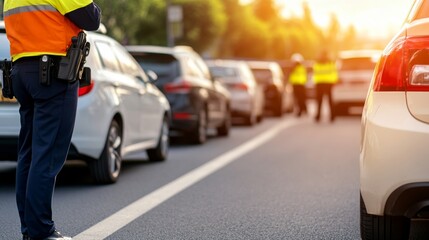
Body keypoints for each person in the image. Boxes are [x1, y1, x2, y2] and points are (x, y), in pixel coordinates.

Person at [3, 1, 101, 239]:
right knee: (47, 155)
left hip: (22, 72)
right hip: (53, 75)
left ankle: (30, 230)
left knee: (29, 154)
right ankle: (41, 231)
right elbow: (92, 18)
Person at [312, 50, 339, 122]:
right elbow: (334, 73)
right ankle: (329, 116)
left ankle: (322, 116)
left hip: (323, 83)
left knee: (323, 101)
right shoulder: (329, 63)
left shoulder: (319, 63)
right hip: (325, 83)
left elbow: (334, 73)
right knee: (324, 101)